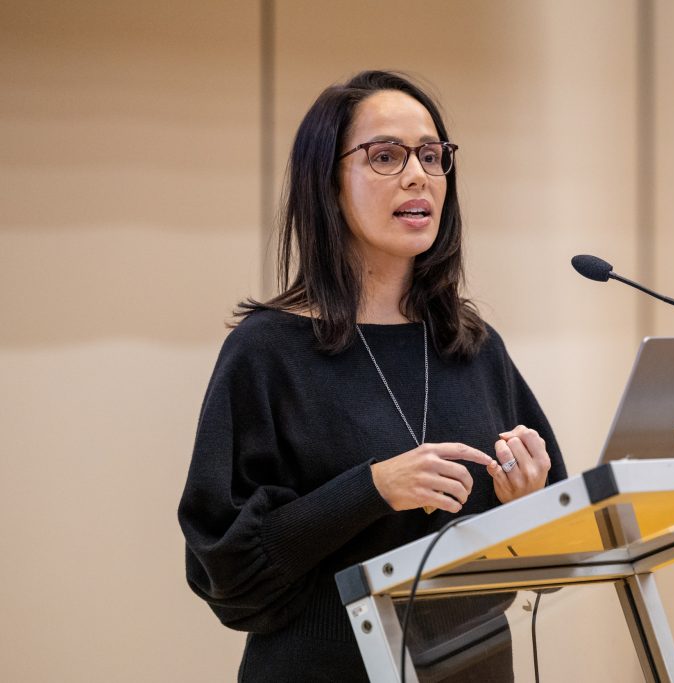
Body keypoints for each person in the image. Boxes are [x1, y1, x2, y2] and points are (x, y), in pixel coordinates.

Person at [177, 70, 568, 682]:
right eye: (385, 155)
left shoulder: (474, 346)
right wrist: (372, 489)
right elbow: (225, 570)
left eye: (432, 155)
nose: (417, 174)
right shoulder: (269, 351)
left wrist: (528, 502)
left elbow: (555, 551)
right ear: (327, 183)